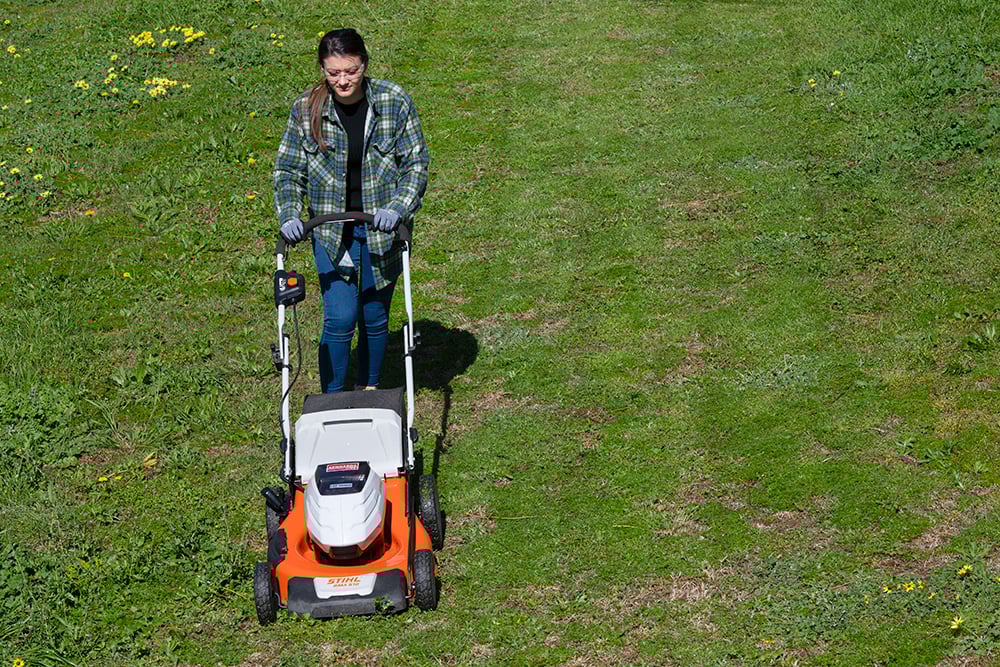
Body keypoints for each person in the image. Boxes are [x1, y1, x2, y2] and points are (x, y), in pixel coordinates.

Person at [273, 28, 429, 393]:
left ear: (365, 65)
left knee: (374, 316)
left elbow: (416, 164)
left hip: (382, 229)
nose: (343, 80)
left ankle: (369, 389)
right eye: (333, 73)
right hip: (331, 231)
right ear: (323, 71)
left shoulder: (393, 101)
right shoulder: (305, 111)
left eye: (351, 71)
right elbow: (287, 171)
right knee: (341, 317)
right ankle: (332, 397)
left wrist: (398, 208)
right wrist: (291, 214)